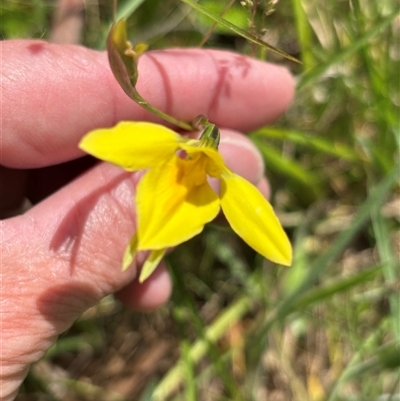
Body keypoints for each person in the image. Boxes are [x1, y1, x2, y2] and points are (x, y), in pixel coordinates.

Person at [0, 39, 295, 400]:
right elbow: (106, 143)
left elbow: (268, 236)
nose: (196, 160)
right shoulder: (167, 145)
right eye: (195, 155)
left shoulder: (231, 187)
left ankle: (147, 242)